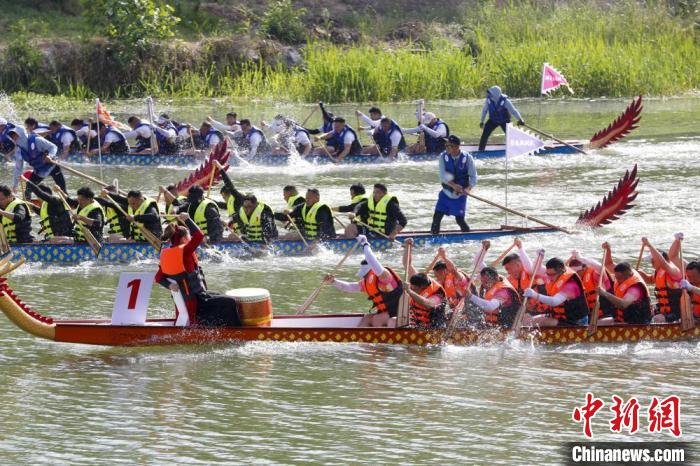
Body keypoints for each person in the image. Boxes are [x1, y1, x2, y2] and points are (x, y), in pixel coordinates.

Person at [156, 212, 241, 327]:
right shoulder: (185, 250)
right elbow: (199, 235)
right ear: (183, 239)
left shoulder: (168, 254)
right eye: (189, 236)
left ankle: (223, 328)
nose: (190, 238)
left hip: (195, 298)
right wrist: (188, 219)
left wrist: (169, 285)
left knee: (222, 295)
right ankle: (236, 332)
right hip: (197, 303)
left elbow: (158, 277)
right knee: (230, 302)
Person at [324, 234, 403, 327]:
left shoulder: (385, 277)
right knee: (367, 318)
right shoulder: (366, 282)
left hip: (398, 314)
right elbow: (350, 287)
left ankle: (379, 340)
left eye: (365, 274)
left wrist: (365, 243)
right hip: (385, 313)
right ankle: (358, 339)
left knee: (378, 318)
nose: (364, 277)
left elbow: (371, 260)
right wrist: (333, 281)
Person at [522, 257, 590, 327]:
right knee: (527, 320)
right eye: (548, 274)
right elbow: (533, 269)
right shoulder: (554, 274)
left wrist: (534, 294)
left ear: (562, 271)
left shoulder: (570, 285)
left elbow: (554, 301)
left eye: (552, 275)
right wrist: (539, 257)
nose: (549, 278)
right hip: (561, 318)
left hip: (576, 323)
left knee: (542, 321)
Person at [595, 243, 652, 325]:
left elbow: (623, 305)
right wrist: (608, 249)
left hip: (636, 323)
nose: (617, 280)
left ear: (628, 274)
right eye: (616, 277)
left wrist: (604, 293)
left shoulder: (635, 288)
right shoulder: (621, 273)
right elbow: (609, 264)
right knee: (597, 324)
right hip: (622, 319)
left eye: (620, 277)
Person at [431, 135, 477, 234]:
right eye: (446, 145)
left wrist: (468, 189)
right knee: (436, 218)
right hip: (446, 193)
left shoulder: (468, 158)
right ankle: (433, 239)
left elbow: (473, 177)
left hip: (460, 195)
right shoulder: (443, 156)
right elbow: (443, 176)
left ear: (457, 147)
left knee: (459, 220)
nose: (447, 148)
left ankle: (468, 236)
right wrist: (454, 186)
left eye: (449, 146)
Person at [219, 167, 277, 242]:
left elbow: (269, 230)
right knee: (231, 237)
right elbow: (233, 218)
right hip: (251, 241)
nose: (246, 209)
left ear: (255, 205)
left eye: (249, 207)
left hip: (267, 242)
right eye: (245, 207)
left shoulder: (264, 213)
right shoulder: (241, 211)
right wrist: (227, 222)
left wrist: (265, 244)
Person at [8, 128, 66, 199]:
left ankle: (68, 205)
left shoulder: (37, 140)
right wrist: (15, 185)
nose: (14, 139)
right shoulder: (19, 151)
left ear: (22, 134)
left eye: (16, 136)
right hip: (39, 170)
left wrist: (50, 156)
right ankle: (29, 207)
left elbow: (53, 147)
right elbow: (18, 168)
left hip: (52, 166)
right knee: (28, 190)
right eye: (12, 137)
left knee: (62, 189)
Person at [637, 236, 683, 323]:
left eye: (653, 261)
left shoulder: (673, 271)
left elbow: (663, 263)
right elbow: (650, 280)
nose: (651, 264)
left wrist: (649, 245)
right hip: (664, 311)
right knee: (645, 313)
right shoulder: (658, 272)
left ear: (661, 259)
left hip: (677, 313)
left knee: (657, 319)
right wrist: (640, 273)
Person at [402, 240, 447, 328]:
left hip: (434, 329)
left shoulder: (438, 294)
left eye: (414, 289)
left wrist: (409, 291)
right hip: (417, 325)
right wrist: (408, 248)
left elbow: (428, 304)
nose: (412, 289)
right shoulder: (418, 280)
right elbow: (407, 264)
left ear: (422, 287)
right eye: (412, 288)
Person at [569, 250, 615, 320]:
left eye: (578, 272)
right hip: (590, 314)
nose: (576, 275)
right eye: (574, 273)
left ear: (584, 268)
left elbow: (600, 267)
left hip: (605, 314)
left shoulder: (595, 274)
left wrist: (581, 258)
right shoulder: (575, 279)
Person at [478, 85, 525, 151]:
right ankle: (481, 150)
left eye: (491, 93)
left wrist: (520, 119)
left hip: (504, 121)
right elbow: (484, 111)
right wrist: (482, 121)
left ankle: (517, 149)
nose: (489, 94)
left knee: (511, 136)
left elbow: (514, 111)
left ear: (496, 94)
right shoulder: (488, 100)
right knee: (484, 135)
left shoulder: (506, 101)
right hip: (493, 120)